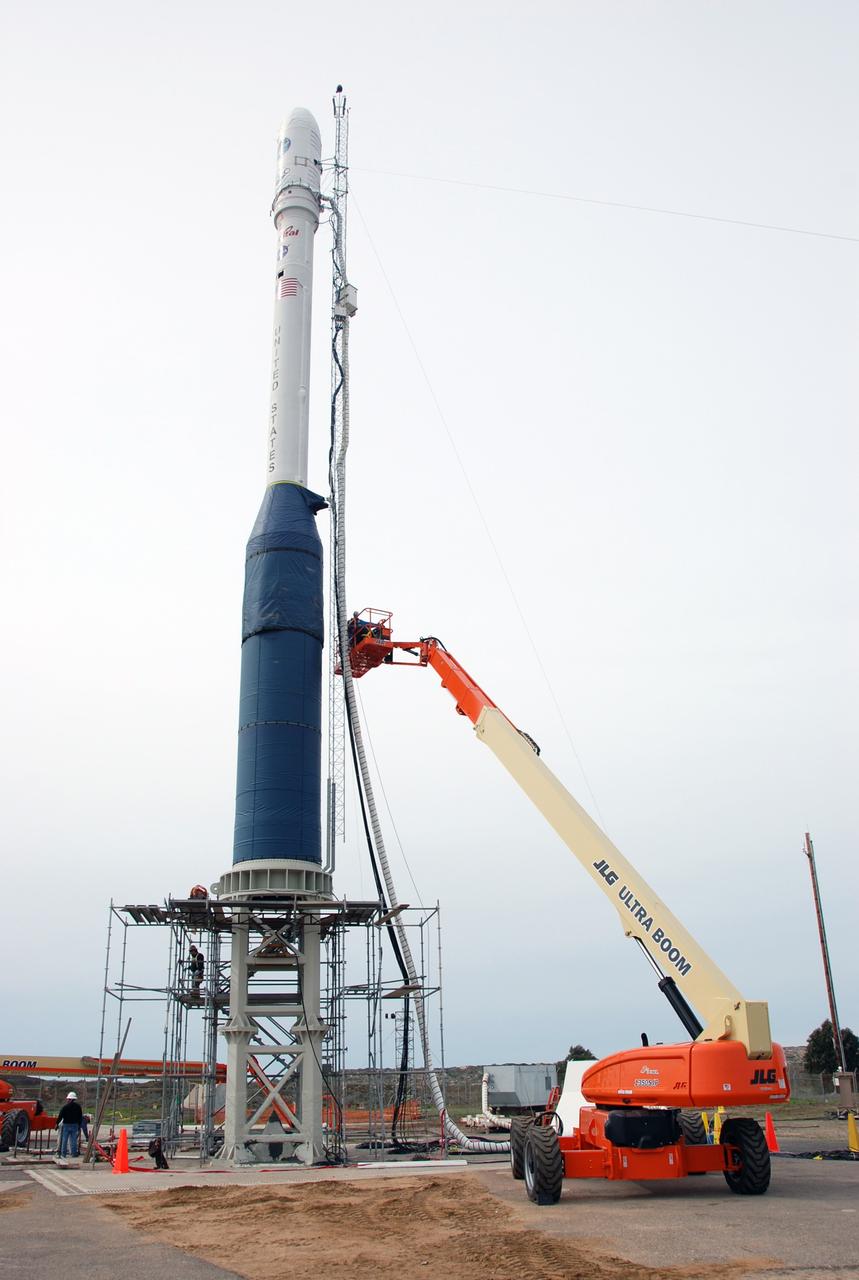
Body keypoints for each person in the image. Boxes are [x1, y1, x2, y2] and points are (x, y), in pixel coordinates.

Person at [56, 1091, 88, 1158]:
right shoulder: (78, 1107)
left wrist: (57, 1124)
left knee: (64, 1140)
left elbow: (60, 1116)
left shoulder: (65, 1107)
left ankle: (63, 1154)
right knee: (73, 1140)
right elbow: (80, 1117)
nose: (67, 1100)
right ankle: (74, 1154)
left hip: (66, 1125)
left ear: (70, 1099)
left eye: (68, 1099)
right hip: (75, 1125)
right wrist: (79, 1125)